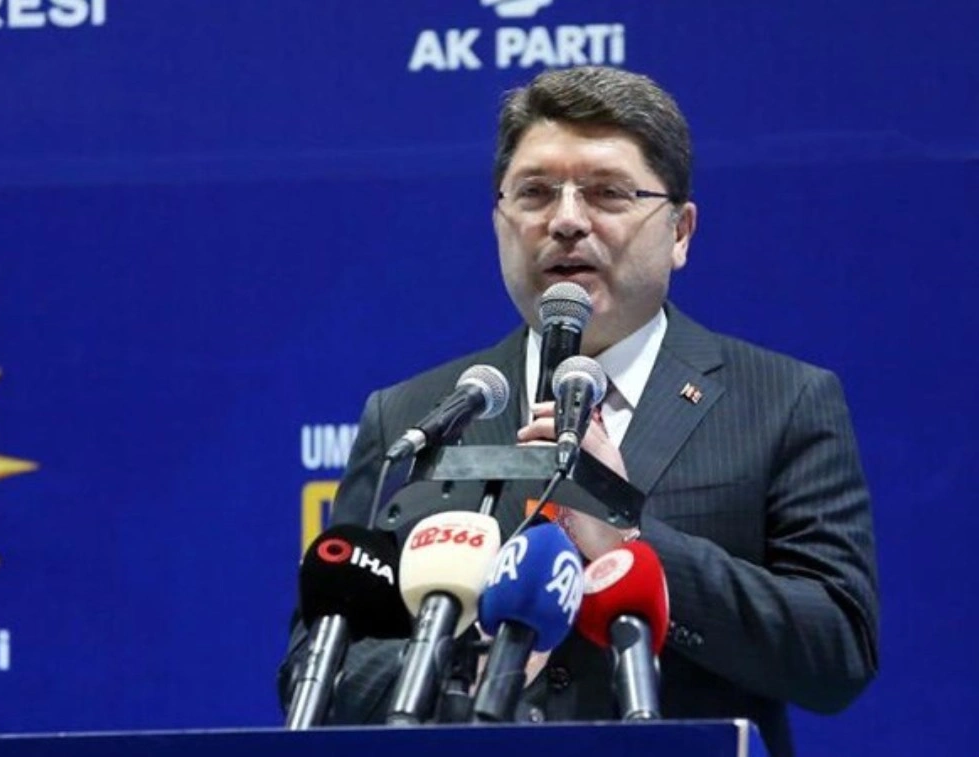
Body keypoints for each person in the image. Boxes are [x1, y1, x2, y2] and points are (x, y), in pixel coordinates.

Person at [279, 65, 879, 757]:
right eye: (535, 192)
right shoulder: (414, 415)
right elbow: (315, 671)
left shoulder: (783, 400)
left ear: (680, 232)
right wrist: (473, 659)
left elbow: (837, 653)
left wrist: (629, 539)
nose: (565, 220)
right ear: (499, 222)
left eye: (608, 192)